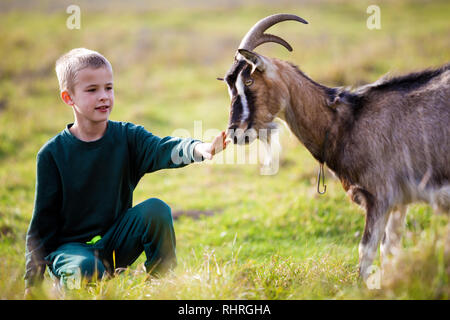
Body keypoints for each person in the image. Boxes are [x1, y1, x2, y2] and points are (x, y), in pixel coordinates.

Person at [24, 48, 227, 296]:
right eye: (92, 90)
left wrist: (199, 148)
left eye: (108, 88)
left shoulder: (127, 137)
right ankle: (67, 287)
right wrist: (31, 285)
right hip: (71, 251)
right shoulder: (51, 154)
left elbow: (164, 148)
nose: (104, 97)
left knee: (156, 210)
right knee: (88, 268)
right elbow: (41, 226)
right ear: (68, 98)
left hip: (115, 242)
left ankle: (162, 288)